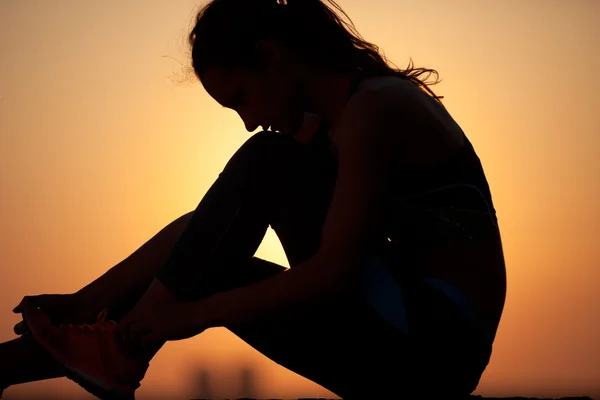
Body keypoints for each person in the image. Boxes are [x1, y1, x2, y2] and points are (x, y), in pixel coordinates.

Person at [1, 0, 507, 399]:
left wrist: (183, 316)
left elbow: (334, 275)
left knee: (265, 159)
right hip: (400, 337)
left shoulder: (373, 110)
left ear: (270, 56)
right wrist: (87, 303)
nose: (247, 119)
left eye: (241, 97)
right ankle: (30, 361)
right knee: (206, 253)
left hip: (432, 350)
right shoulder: (333, 124)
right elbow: (200, 236)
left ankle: (124, 345)